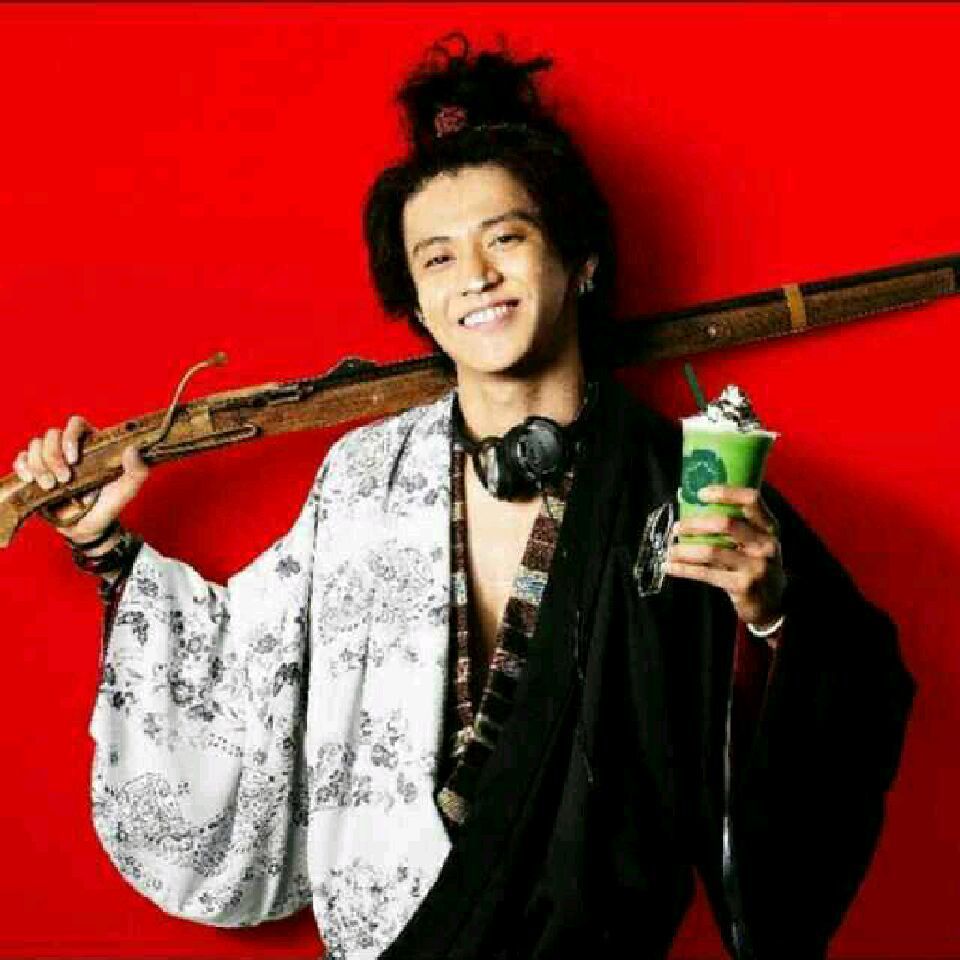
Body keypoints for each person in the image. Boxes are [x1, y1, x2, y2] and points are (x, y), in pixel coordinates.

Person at [11, 34, 915, 960]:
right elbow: (247, 671)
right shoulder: (361, 476)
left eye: (506, 238)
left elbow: (847, 687)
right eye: (436, 258)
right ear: (414, 300)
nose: (475, 276)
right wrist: (106, 548)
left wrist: (772, 618)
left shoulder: (679, 478)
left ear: (582, 261)